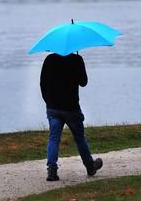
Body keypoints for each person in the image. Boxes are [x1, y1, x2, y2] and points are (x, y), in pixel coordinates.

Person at [40, 52, 103, 181]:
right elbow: (83, 82)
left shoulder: (49, 59)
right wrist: (77, 65)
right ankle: (90, 166)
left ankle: (52, 171)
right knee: (79, 137)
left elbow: (42, 83)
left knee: (53, 139)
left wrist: (48, 102)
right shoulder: (76, 59)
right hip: (71, 107)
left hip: (53, 108)